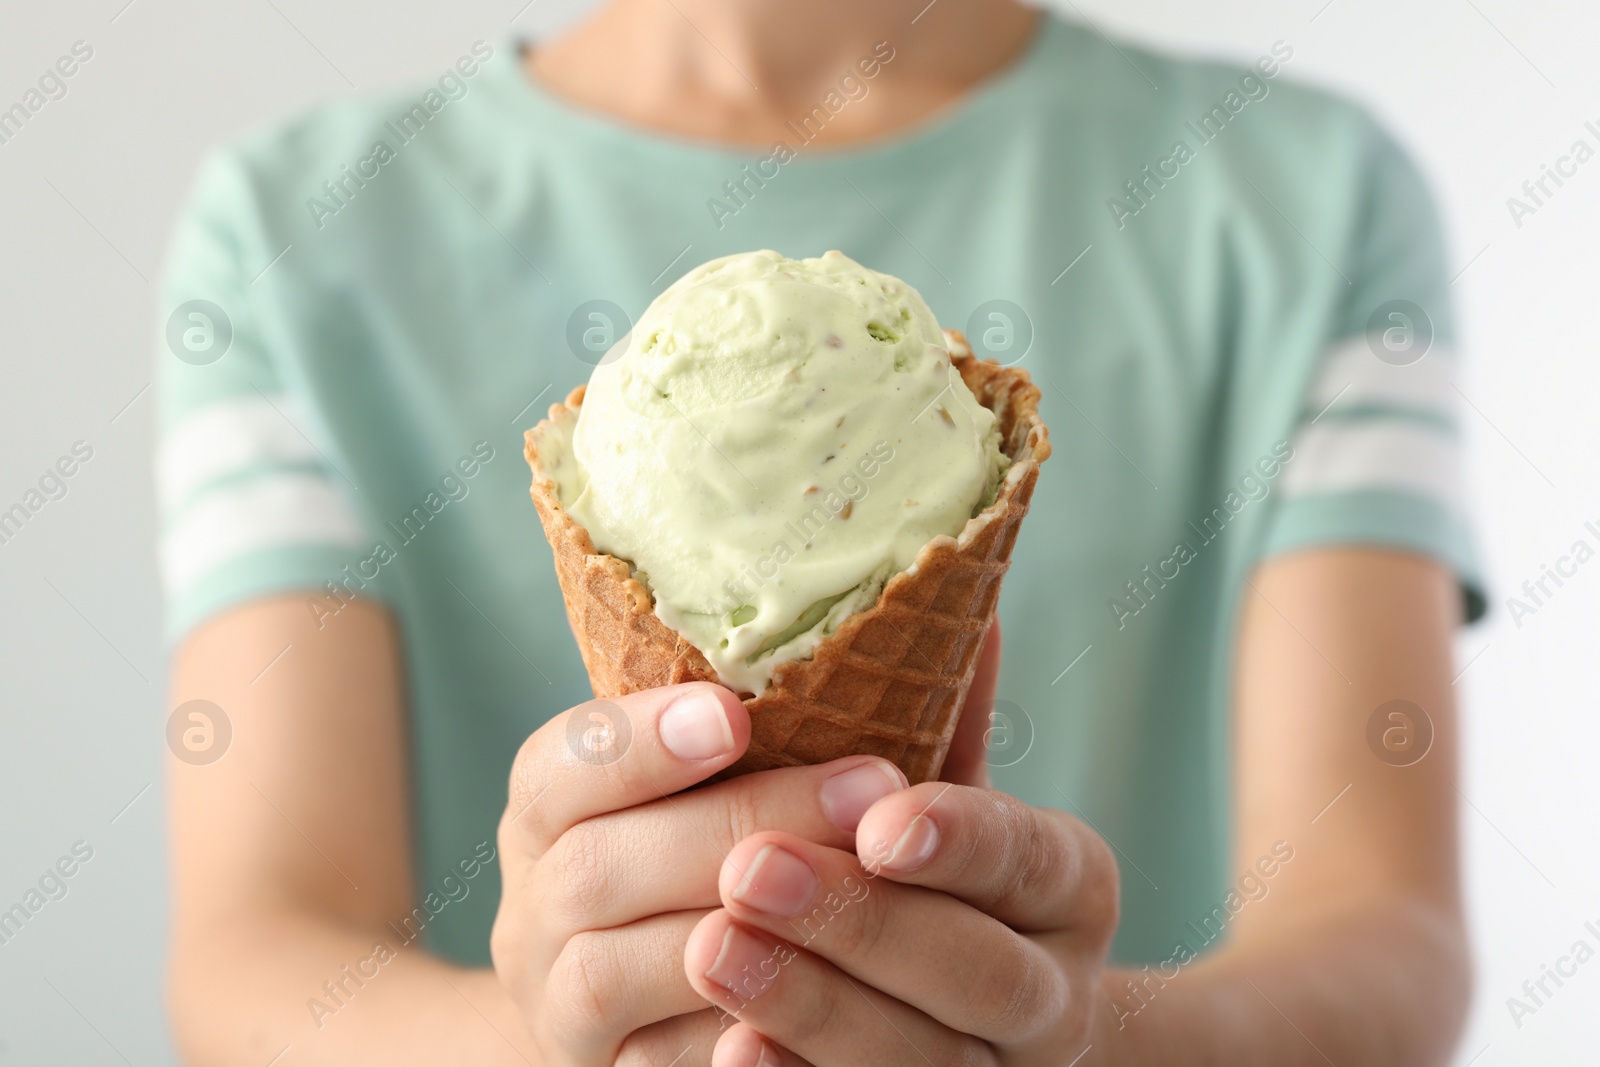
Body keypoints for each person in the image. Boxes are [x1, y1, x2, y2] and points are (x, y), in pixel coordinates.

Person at [158, 0, 1482, 1063]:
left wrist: (1083, 1039)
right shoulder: (291, 242)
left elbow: (1386, 936)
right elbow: (255, 956)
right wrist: (550, 1036)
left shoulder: (1306, 199)